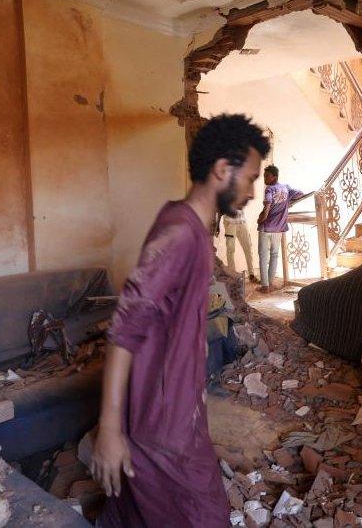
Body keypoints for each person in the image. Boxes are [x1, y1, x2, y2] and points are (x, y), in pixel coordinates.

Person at [91, 114, 269, 527]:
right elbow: (124, 331)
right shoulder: (179, 235)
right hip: (163, 428)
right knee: (202, 516)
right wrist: (110, 429)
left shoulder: (189, 227)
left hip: (175, 415)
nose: (253, 192)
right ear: (222, 170)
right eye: (251, 178)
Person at [257, 165, 306, 293]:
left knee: (263, 256)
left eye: (267, 176)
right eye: (264, 176)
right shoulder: (286, 188)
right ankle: (270, 283)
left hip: (266, 227)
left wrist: (261, 219)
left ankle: (265, 286)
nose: (264, 178)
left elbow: (267, 207)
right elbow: (301, 193)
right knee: (274, 255)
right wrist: (288, 201)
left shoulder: (269, 189)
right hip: (278, 228)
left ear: (274, 177)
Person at [221, 209, 258, 282]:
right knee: (230, 250)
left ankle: (251, 274)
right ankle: (233, 276)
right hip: (230, 222)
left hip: (241, 221)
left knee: (248, 247)